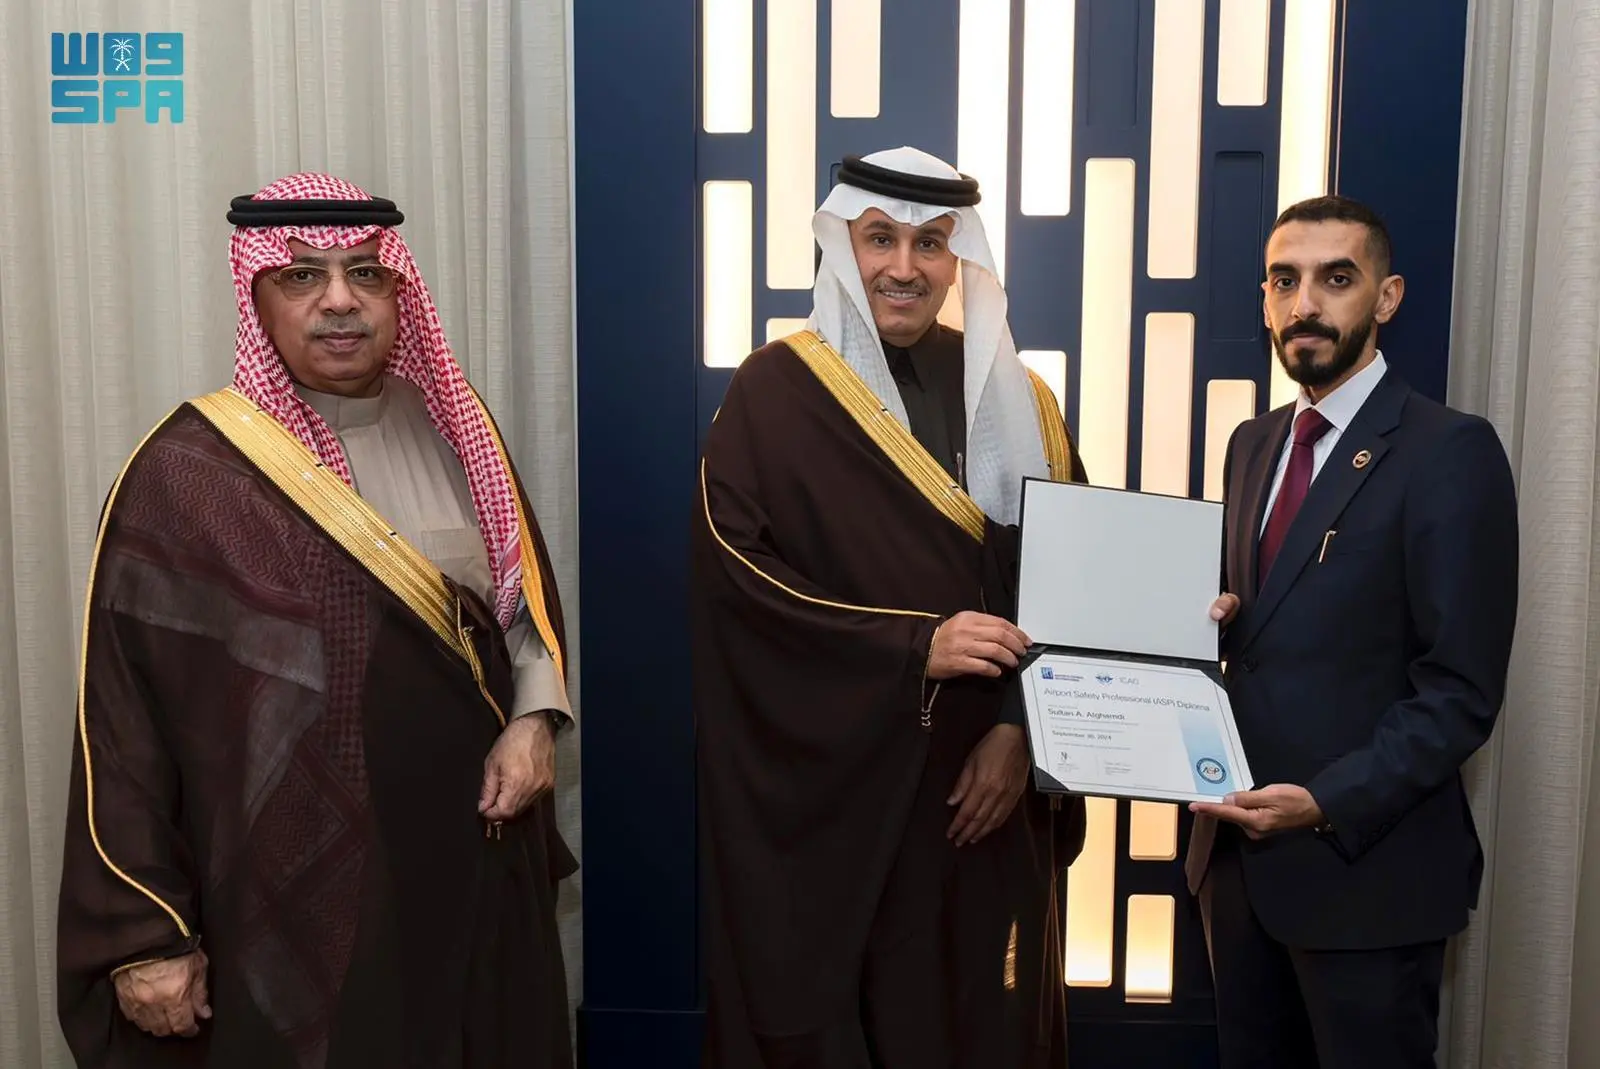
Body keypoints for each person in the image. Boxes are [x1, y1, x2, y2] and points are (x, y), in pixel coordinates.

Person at [56, 173, 577, 1069]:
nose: (340, 301)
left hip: (474, 864)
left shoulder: (460, 431)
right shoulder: (188, 474)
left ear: (397, 290)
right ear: (255, 295)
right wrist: (148, 932)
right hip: (295, 890)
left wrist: (535, 721)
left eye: (365, 273)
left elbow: (517, 608)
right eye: (301, 276)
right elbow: (122, 724)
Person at [691, 146, 1089, 1069]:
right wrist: (915, 646)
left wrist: (1019, 733)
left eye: (930, 243)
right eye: (880, 239)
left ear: (959, 261)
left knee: (976, 1017)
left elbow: (1069, 584)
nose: (903, 267)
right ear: (843, 246)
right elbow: (739, 583)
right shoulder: (772, 390)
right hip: (835, 779)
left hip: (985, 780)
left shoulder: (1021, 398)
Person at [1185, 194, 1520, 1069]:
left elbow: (1460, 692)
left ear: (1386, 296)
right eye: (1283, 281)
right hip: (1236, 868)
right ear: (1264, 300)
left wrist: (1325, 800)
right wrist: (1204, 617)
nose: (1305, 304)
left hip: (1368, 872)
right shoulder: (1252, 443)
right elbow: (1268, 629)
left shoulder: (1450, 450)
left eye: (1336, 279)